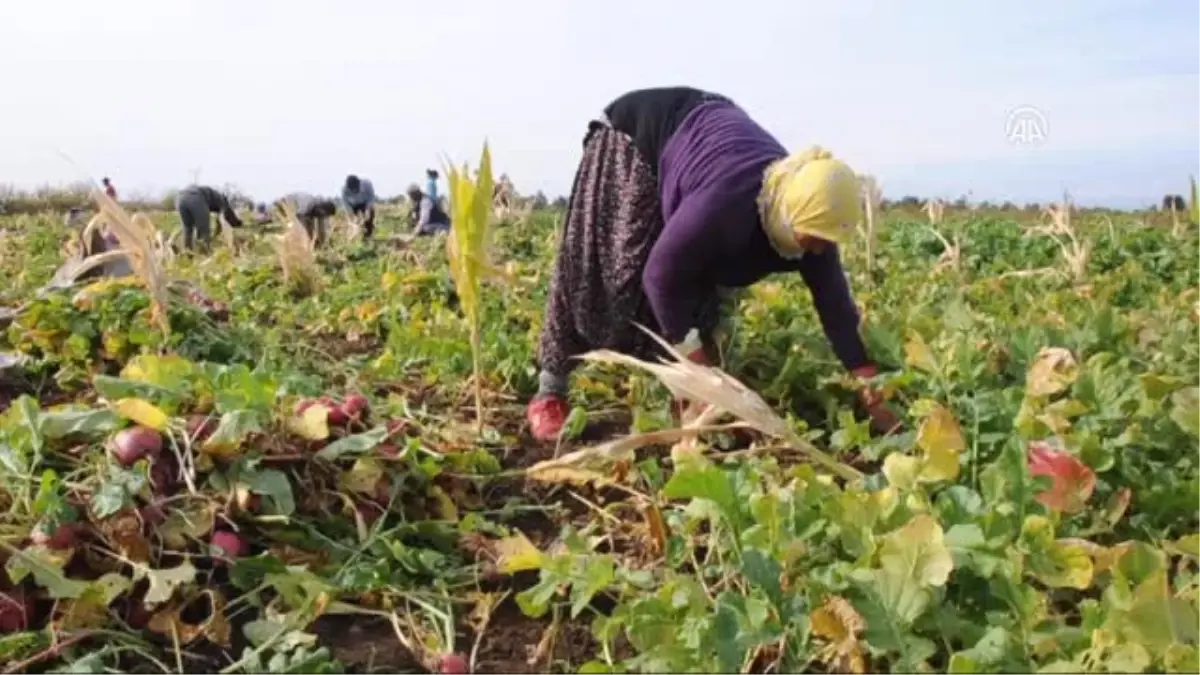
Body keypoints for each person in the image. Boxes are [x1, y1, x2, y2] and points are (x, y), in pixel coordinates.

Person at [525, 86, 903, 442]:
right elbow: (661, 276)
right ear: (789, 218)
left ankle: (683, 393)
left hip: (705, 141)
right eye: (814, 241)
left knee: (700, 286)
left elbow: (835, 307)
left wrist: (870, 388)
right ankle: (550, 389)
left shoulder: (814, 222)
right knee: (608, 271)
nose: (818, 251)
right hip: (638, 138)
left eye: (826, 243)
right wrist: (703, 374)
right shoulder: (726, 204)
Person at [175, 185, 243, 251]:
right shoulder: (222, 199)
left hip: (180, 199)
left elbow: (221, 219)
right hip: (195, 197)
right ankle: (204, 252)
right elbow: (228, 214)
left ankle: (187, 253)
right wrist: (237, 223)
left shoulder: (212, 195)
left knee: (187, 229)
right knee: (203, 229)